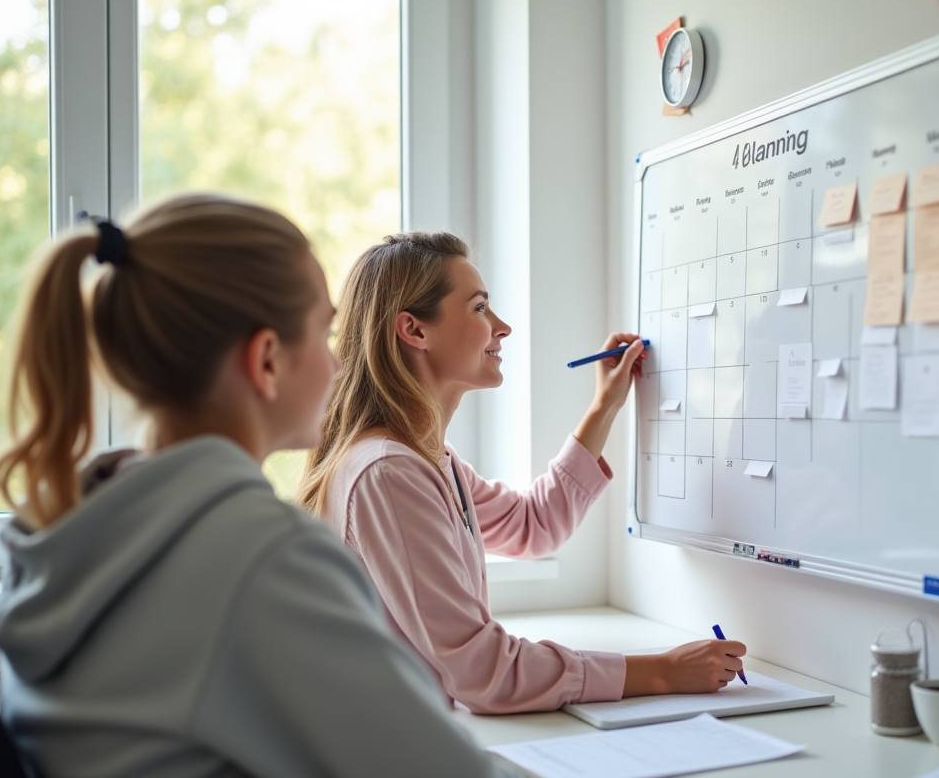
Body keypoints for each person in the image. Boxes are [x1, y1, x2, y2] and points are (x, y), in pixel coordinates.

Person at [0, 196, 506, 777]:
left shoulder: (68, 515)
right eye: (324, 331)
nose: (339, 366)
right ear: (266, 361)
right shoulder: (257, 554)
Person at [299, 231, 745, 714]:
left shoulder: (424, 459)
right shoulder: (389, 472)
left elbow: (532, 526)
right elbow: (484, 672)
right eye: (479, 308)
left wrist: (604, 407)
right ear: (415, 330)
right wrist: (661, 672)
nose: (502, 326)